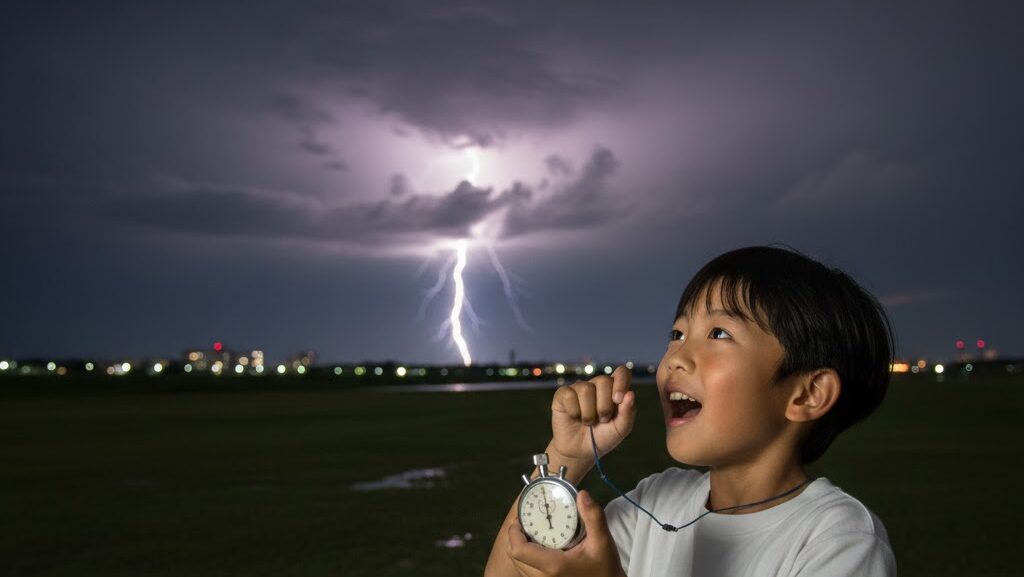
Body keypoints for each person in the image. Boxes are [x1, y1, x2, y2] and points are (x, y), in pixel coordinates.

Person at [484, 245, 897, 576]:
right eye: (677, 333)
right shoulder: (658, 500)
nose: (676, 358)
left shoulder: (839, 540)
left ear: (807, 395)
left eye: (719, 333)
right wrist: (566, 458)